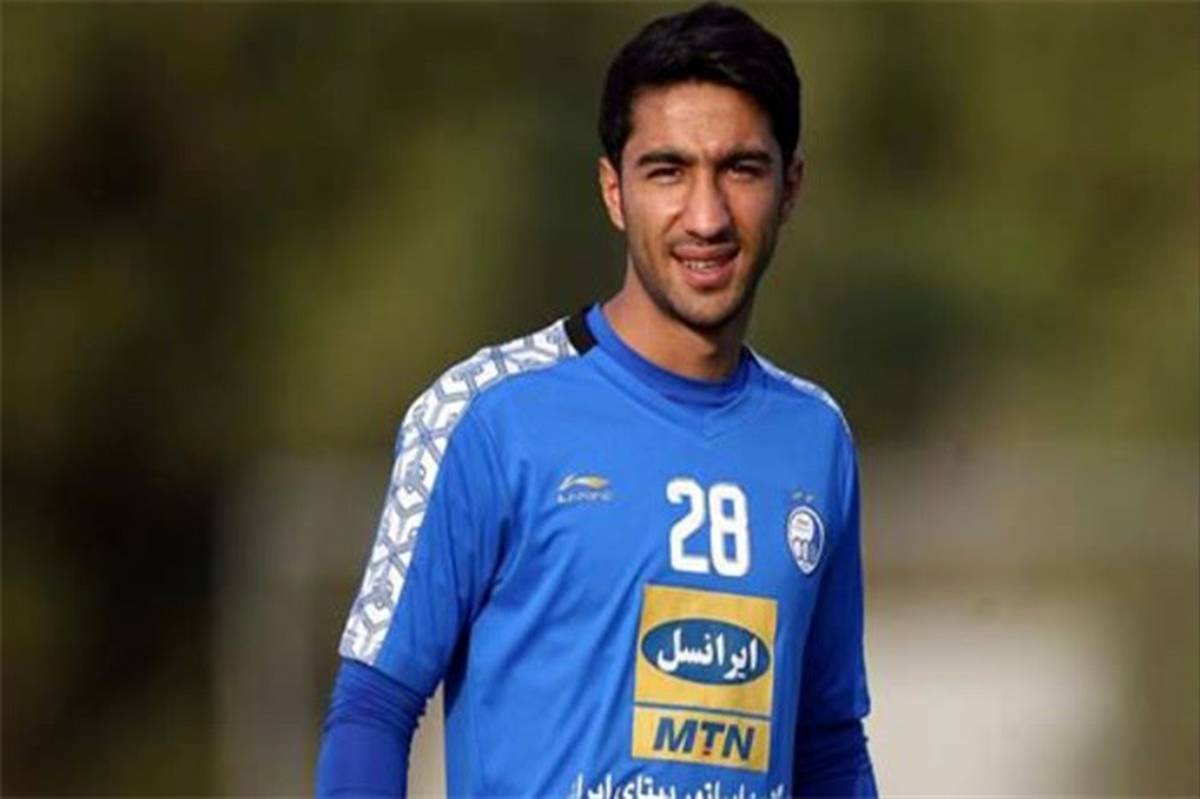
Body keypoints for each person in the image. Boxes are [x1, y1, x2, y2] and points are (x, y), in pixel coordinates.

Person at [316, 3, 877, 796]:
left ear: (790, 188)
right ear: (614, 190)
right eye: (668, 171)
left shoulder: (815, 438)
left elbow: (828, 745)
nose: (707, 216)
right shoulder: (485, 416)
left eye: (742, 169)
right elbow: (373, 708)